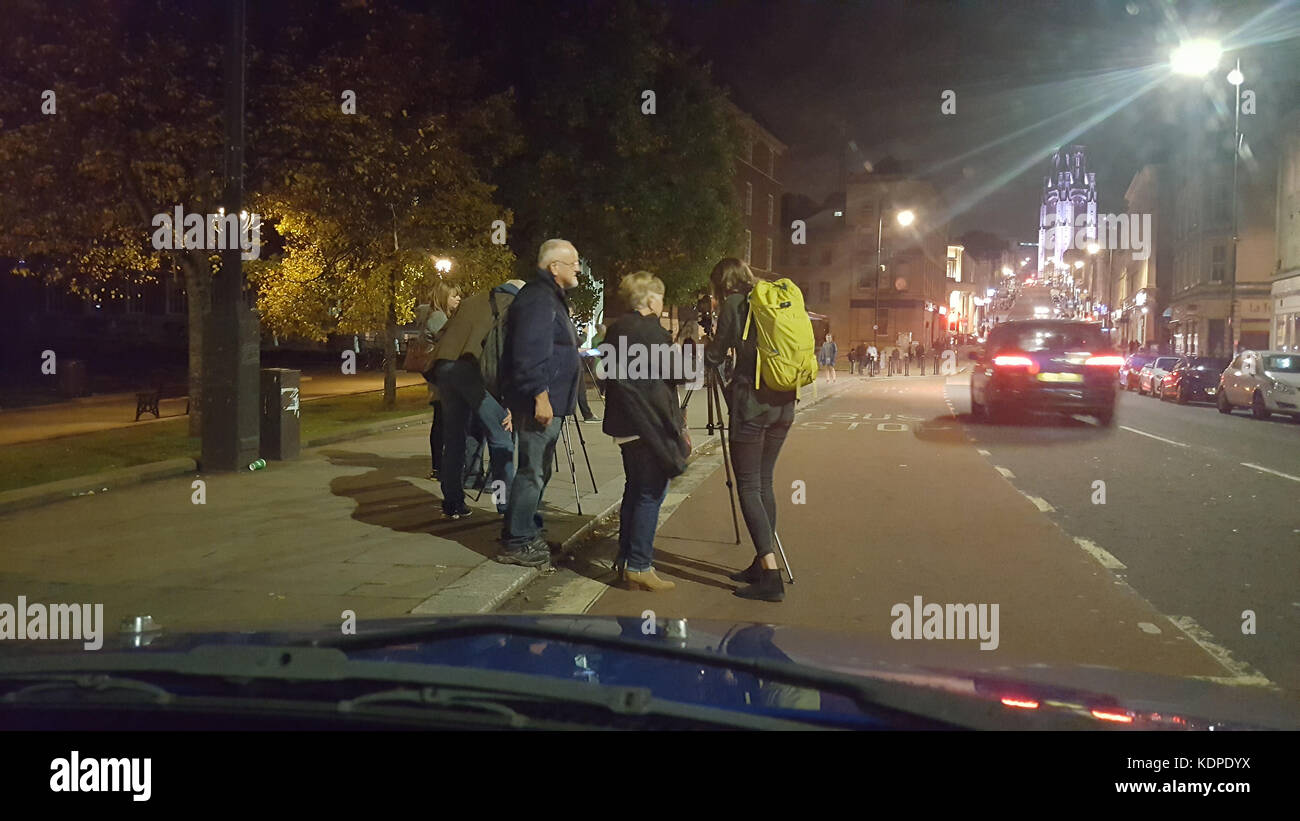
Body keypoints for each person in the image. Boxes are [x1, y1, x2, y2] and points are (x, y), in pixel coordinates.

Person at [704, 258, 798, 602]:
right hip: (785, 403)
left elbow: (716, 354)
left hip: (752, 405)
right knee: (765, 481)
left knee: (747, 485)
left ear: (722, 283)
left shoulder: (734, 304)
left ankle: (770, 574)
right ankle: (762, 562)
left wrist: (709, 354)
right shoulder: (770, 299)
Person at [495, 239, 583, 568]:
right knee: (532, 470)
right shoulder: (538, 298)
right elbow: (530, 351)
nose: (578, 268)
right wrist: (540, 396)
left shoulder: (549, 298)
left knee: (540, 469)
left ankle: (528, 532)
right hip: (539, 402)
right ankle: (516, 541)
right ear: (553, 267)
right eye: (572, 262)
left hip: (550, 400)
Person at [602, 271, 690, 592]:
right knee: (651, 493)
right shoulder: (653, 333)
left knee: (635, 490)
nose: (663, 304)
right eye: (661, 298)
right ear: (651, 299)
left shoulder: (616, 330)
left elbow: (605, 373)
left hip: (624, 425)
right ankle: (639, 564)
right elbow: (680, 375)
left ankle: (626, 559)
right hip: (649, 425)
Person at [430, 279, 525, 520]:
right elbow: (508, 352)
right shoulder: (512, 304)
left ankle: (452, 502)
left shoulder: (474, 300)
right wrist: (510, 401)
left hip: (444, 367)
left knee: (453, 438)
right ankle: (506, 507)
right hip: (469, 370)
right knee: (501, 435)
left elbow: (444, 333)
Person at [415, 282, 460, 480]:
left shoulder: (441, 316)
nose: (458, 299)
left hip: (438, 375)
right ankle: (439, 468)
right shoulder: (438, 317)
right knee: (442, 422)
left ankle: (439, 467)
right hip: (441, 376)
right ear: (443, 298)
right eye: (453, 296)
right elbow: (451, 343)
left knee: (441, 421)